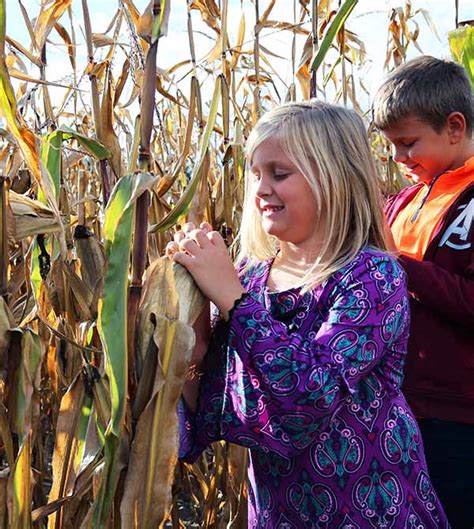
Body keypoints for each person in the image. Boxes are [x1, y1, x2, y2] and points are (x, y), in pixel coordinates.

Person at [172, 101, 449, 528]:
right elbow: (218, 410)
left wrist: (231, 298)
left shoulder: (373, 275)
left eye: (280, 174)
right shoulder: (250, 275)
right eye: (256, 174)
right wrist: (191, 327)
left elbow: (309, 394)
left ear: (333, 178)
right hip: (280, 512)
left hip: (370, 511)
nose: (262, 188)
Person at [373, 55, 474, 529]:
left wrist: (402, 269)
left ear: (454, 127)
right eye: (391, 146)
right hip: (398, 407)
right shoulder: (403, 201)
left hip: (459, 417)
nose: (398, 159)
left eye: (408, 143)